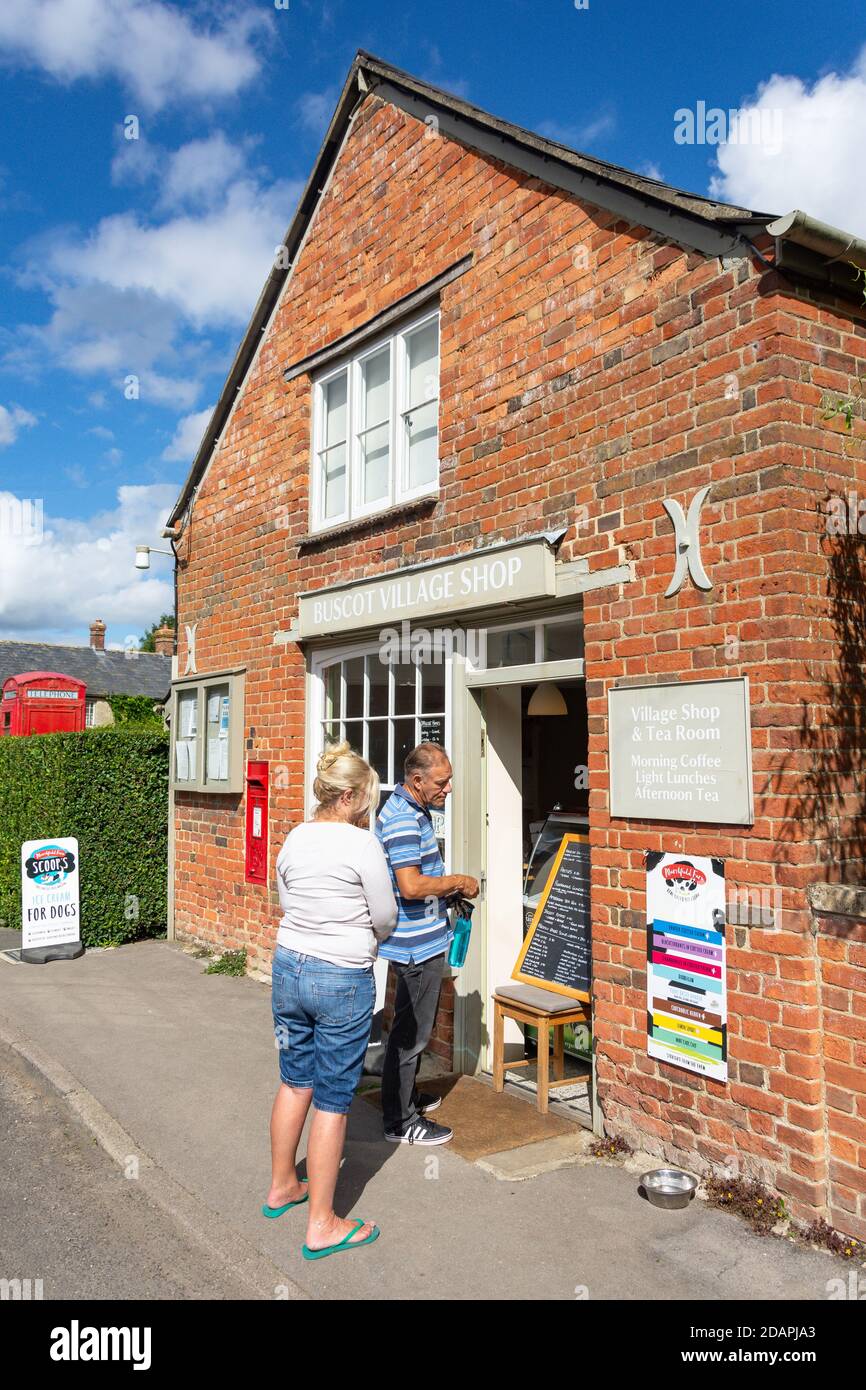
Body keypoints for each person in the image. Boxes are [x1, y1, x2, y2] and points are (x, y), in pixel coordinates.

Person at [264, 741, 397, 1259]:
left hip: (287, 968)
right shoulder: (362, 846)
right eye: (367, 797)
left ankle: (283, 1185)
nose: (369, 807)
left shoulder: (295, 837)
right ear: (348, 797)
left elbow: (286, 901)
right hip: (340, 976)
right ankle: (322, 1224)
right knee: (333, 1100)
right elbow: (384, 916)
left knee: (294, 1079)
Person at [376, 742, 479, 1145]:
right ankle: (400, 1122)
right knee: (413, 1033)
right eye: (441, 782)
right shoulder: (405, 819)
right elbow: (411, 885)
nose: (448, 788)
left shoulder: (408, 809)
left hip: (415, 939)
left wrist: (445, 897)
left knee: (408, 1026)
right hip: (416, 946)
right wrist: (457, 882)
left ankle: (402, 1098)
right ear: (417, 781)